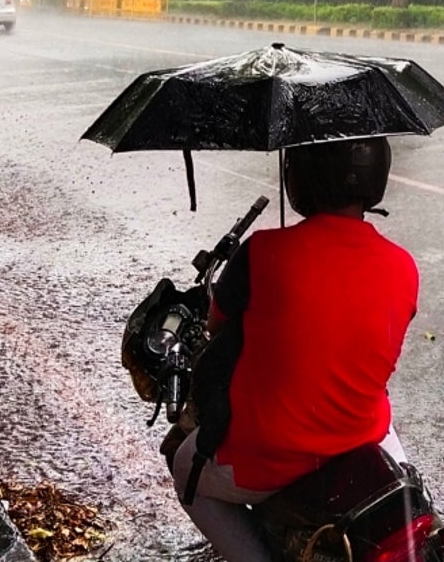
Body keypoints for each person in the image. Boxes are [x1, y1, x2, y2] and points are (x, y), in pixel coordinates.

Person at [169, 137, 419, 562]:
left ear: (299, 177)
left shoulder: (262, 252)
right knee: (403, 478)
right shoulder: (404, 265)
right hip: (362, 434)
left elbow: (216, 328)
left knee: (184, 469)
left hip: (267, 455)